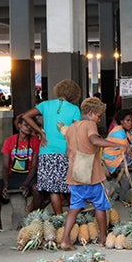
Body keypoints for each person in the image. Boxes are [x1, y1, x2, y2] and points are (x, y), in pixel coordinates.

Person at [61, 98, 122, 250]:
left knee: (74, 208)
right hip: (92, 174)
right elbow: (94, 140)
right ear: (91, 113)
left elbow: (67, 151)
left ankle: (65, 239)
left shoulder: (71, 128)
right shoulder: (90, 124)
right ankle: (102, 238)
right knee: (100, 206)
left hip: (75, 174)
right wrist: (117, 145)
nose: (99, 119)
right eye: (99, 116)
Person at [22, 79, 82, 215]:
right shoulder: (74, 109)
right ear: (74, 95)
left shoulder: (45, 105)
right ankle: (72, 218)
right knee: (71, 186)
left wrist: (40, 132)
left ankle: (59, 217)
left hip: (46, 150)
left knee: (53, 190)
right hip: (65, 151)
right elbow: (76, 132)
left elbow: (26, 116)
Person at [0, 115, 42, 234]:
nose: (28, 128)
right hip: (13, 175)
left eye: (31, 126)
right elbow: (5, 166)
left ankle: (35, 221)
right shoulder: (9, 141)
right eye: (26, 125)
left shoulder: (35, 141)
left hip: (29, 175)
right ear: (19, 125)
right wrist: (5, 184)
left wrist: (26, 184)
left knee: (37, 189)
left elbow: (34, 166)